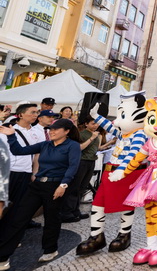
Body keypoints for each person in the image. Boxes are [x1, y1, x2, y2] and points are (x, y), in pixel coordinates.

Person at [0, 119, 81, 267]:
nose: (52, 132)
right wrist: (11, 135)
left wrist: (63, 185)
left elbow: (73, 166)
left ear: (67, 131)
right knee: (19, 217)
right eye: (51, 129)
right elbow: (19, 151)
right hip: (37, 185)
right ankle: (2, 257)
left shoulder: (73, 146)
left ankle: (50, 250)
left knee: (51, 219)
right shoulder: (45, 144)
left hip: (56, 186)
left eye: (56, 129)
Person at [0, 104, 43, 214]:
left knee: (17, 203)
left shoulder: (38, 132)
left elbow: (37, 154)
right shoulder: (8, 130)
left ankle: (10, 225)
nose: (35, 115)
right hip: (8, 171)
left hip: (25, 172)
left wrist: (34, 172)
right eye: (32, 112)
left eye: (37, 112)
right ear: (20, 115)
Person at [61, 119, 101, 222]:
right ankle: (66, 212)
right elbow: (79, 148)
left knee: (82, 187)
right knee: (75, 187)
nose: (95, 125)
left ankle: (75, 211)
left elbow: (96, 149)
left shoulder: (96, 135)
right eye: (93, 123)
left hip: (91, 161)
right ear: (86, 124)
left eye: (97, 123)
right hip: (81, 161)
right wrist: (92, 138)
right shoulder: (82, 134)